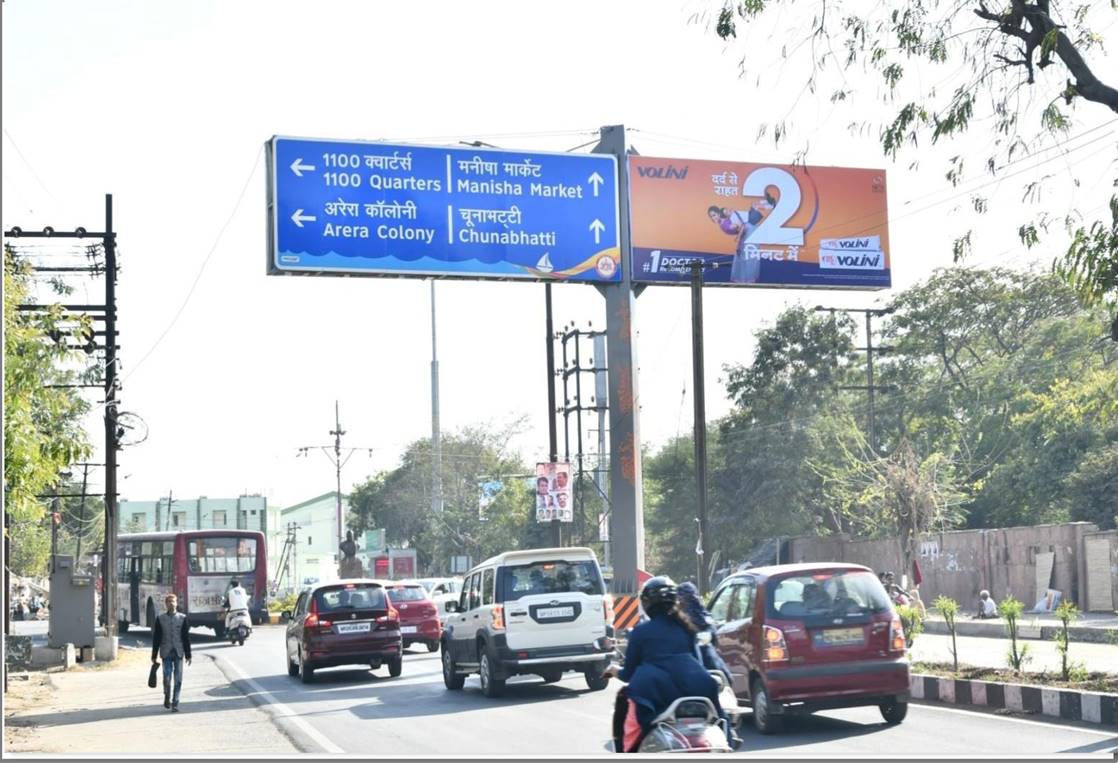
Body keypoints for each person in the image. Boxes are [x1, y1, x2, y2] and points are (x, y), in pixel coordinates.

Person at [605, 576, 727, 752]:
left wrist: (614, 670)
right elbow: (699, 662)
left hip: (654, 694)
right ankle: (730, 741)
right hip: (698, 687)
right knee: (721, 720)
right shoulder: (687, 627)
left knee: (630, 723)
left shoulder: (640, 632)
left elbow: (628, 675)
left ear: (647, 603)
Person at [677, 582, 733, 689]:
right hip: (714, 671)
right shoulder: (706, 618)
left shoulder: (679, 620)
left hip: (695, 673)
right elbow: (714, 643)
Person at [151, 593, 191, 712]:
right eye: (169, 602)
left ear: (176, 603)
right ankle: (167, 695)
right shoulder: (160, 619)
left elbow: (186, 637)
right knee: (167, 677)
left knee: (178, 678)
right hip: (166, 651)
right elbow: (156, 637)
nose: (171, 604)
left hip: (178, 651)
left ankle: (175, 702)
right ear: (166, 604)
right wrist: (154, 655)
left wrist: (188, 654)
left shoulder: (183, 618)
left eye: (173, 601)